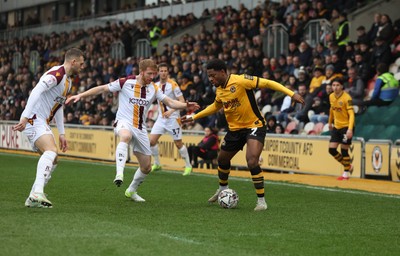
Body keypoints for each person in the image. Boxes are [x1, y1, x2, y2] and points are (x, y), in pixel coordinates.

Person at [66, 59, 199, 202]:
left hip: (141, 128)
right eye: (149, 74)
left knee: (146, 167)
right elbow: (102, 88)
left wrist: (186, 105)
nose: (152, 77)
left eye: (154, 74)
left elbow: (171, 102)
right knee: (125, 135)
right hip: (124, 122)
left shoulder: (154, 88)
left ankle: (131, 190)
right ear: (141, 72)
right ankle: (119, 174)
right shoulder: (125, 82)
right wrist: (80, 95)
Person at [182, 59, 305, 211]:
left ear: (222, 72)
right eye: (209, 76)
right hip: (235, 130)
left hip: (254, 125)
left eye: (213, 75)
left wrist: (291, 93)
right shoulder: (220, 90)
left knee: (252, 161)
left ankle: (261, 202)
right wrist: (193, 117)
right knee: (222, 159)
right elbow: (215, 106)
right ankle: (222, 189)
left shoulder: (241, 80)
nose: (211, 79)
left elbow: (268, 83)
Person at [12, 48, 85, 208]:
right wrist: (25, 116)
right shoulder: (57, 74)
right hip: (33, 118)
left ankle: (32, 197)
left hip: (41, 121)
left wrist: (62, 133)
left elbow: (58, 107)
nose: (82, 66)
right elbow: (37, 90)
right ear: (73, 62)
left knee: (54, 160)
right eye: (81, 63)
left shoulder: (68, 82)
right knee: (51, 151)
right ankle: (38, 192)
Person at [149, 63, 192, 176]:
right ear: (158, 72)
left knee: (178, 143)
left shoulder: (173, 85)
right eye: (161, 71)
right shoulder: (155, 85)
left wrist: (172, 110)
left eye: (165, 71)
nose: (163, 73)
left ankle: (188, 166)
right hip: (161, 118)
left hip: (173, 118)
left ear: (168, 72)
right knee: (151, 141)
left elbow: (182, 101)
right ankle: (157, 164)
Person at [327, 78, 355, 180]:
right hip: (336, 126)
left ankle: (346, 174)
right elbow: (331, 110)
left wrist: (350, 129)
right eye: (333, 85)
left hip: (346, 126)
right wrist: (330, 122)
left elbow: (351, 114)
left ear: (342, 86)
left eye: (337, 85)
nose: (335, 87)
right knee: (332, 150)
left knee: (344, 150)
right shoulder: (331, 96)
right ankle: (348, 165)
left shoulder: (347, 98)